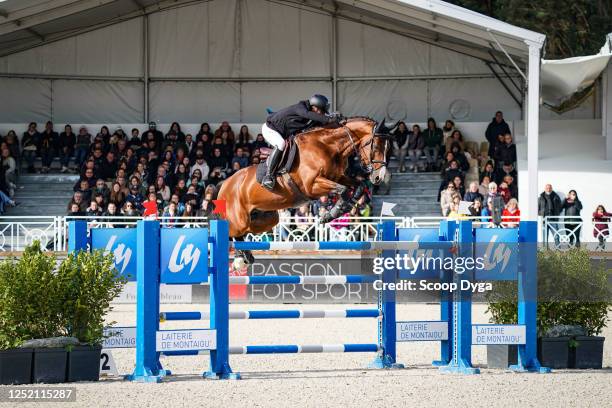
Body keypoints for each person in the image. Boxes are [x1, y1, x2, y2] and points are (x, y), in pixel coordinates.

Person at [261, 94, 342, 190]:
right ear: (314, 107)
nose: (322, 114)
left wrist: (338, 122)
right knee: (280, 144)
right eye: (321, 111)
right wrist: (329, 118)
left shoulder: (312, 115)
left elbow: (321, 123)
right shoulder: (300, 108)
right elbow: (308, 115)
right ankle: (268, 176)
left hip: (283, 134)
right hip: (270, 129)